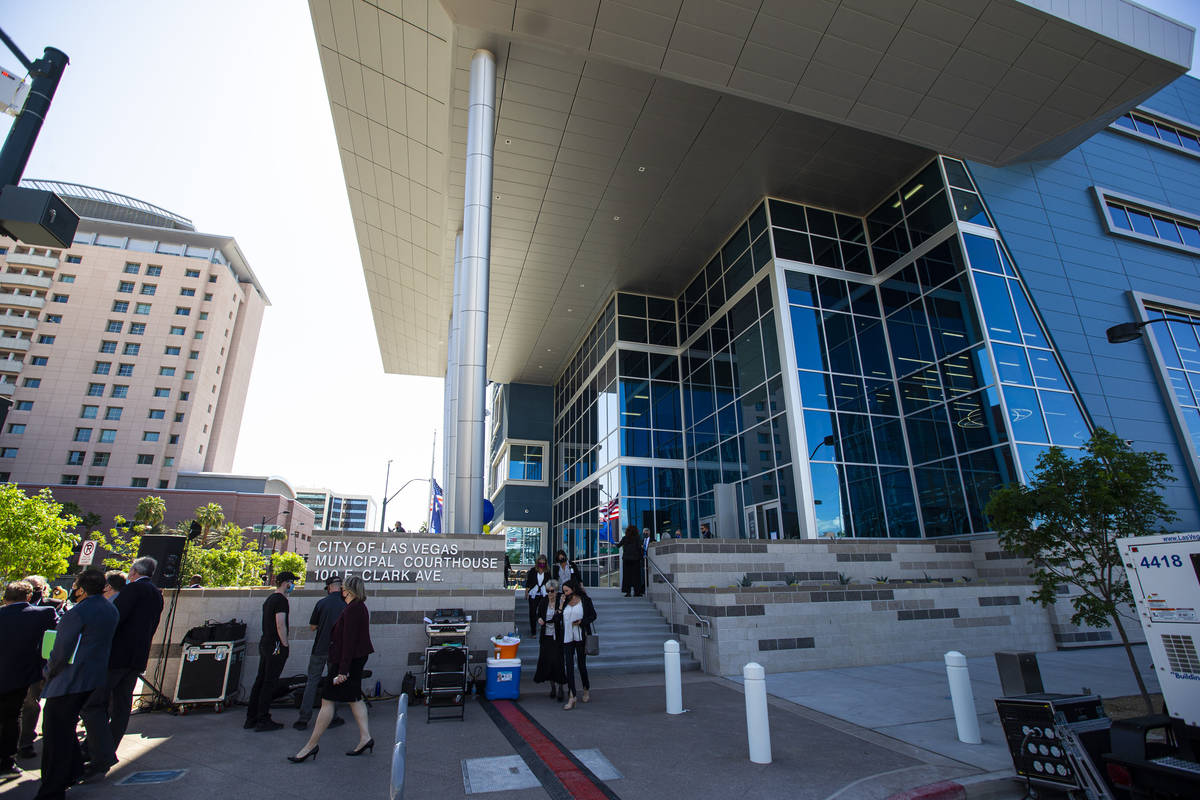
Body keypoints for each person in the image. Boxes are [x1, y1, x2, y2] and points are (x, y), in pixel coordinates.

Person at [36, 569, 119, 800]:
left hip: (69, 680)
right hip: (92, 678)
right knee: (66, 727)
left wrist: (48, 671)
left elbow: (61, 651)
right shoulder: (110, 609)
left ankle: (52, 788)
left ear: (81, 588)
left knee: (55, 736)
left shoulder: (79, 612)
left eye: (75, 584)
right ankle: (73, 770)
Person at [80, 555, 164, 778]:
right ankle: (104, 750)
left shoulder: (131, 591)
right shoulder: (157, 594)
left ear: (134, 572)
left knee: (93, 705)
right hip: (137, 658)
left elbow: (115, 620)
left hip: (116, 657)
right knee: (120, 707)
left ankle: (99, 753)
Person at [289, 575, 374, 762]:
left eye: (344, 588)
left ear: (350, 590)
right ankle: (365, 737)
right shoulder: (357, 608)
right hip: (353, 659)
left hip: (346, 661)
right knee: (355, 699)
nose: (342, 591)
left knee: (327, 700)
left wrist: (342, 670)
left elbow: (349, 641)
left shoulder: (353, 609)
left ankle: (310, 745)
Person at [0, 581, 56, 777]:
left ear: (6, 598)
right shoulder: (44, 613)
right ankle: (6, 763)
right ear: (29, 597)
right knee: (12, 717)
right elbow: (54, 640)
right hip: (23, 675)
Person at [245, 571, 297, 732]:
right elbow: (280, 624)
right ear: (285, 583)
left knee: (260, 680)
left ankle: (251, 717)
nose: (292, 585)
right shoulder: (281, 600)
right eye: (291, 582)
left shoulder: (270, 599)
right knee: (269, 682)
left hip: (265, 643)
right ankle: (263, 718)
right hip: (275, 645)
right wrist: (285, 644)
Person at [295, 574, 347, 731]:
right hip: (337, 650)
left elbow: (313, 626)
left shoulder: (321, 603)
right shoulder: (346, 604)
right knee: (335, 683)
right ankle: (333, 717)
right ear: (341, 587)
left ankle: (304, 718)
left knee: (312, 682)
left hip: (319, 648)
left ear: (330, 587)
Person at [17, 575, 60, 761]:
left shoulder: (53, 607)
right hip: (17, 663)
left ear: (43, 589)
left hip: (36, 665)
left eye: (37, 587)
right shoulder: (13, 606)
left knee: (30, 704)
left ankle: (25, 743)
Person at [558, 579, 596, 710]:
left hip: (580, 637)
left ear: (573, 589)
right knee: (568, 666)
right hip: (567, 637)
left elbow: (593, 616)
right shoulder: (564, 601)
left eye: (567, 590)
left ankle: (586, 688)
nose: (565, 593)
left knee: (581, 665)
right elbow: (557, 619)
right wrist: (561, 605)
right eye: (563, 591)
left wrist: (581, 622)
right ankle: (572, 696)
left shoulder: (585, 600)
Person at [532, 579, 566, 701]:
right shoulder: (544, 601)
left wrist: (561, 606)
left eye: (552, 591)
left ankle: (560, 687)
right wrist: (539, 619)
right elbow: (538, 613)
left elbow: (559, 618)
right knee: (548, 662)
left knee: (558, 662)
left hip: (557, 637)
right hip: (546, 636)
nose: (550, 594)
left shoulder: (561, 602)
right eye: (547, 591)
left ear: (556, 591)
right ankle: (552, 687)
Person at [523, 556, 550, 637]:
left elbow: (549, 583)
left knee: (543, 612)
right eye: (540, 562)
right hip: (533, 594)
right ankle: (533, 632)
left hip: (543, 594)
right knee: (532, 612)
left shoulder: (547, 572)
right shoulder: (533, 571)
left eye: (543, 562)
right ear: (537, 562)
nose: (542, 564)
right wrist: (526, 592)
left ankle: (544, 629)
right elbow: (529, 582)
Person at [618, 525, 643, 597]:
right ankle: (637, 592)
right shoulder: (637, 539)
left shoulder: (625, 538)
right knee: (636, 576)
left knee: (627, 576)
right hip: (635, 559)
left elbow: (618, 545)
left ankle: (628, 592)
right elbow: (640, 548)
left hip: (626, 559)